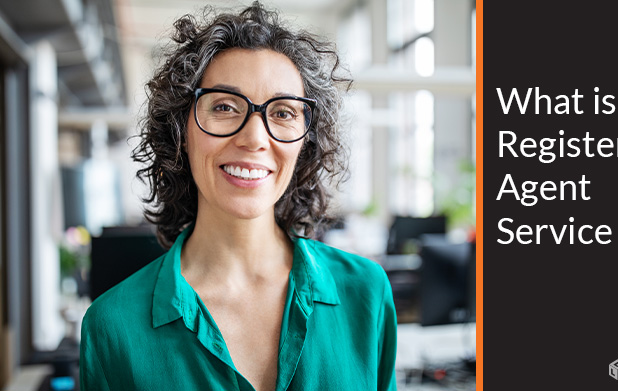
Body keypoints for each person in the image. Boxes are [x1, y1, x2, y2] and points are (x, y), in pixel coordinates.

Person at [79, 2, 397, 391]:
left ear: (305, 145)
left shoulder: (365, 293)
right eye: (225, 107)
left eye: (283, 113)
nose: (254, 138)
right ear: (181, 133)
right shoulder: (113, 327)